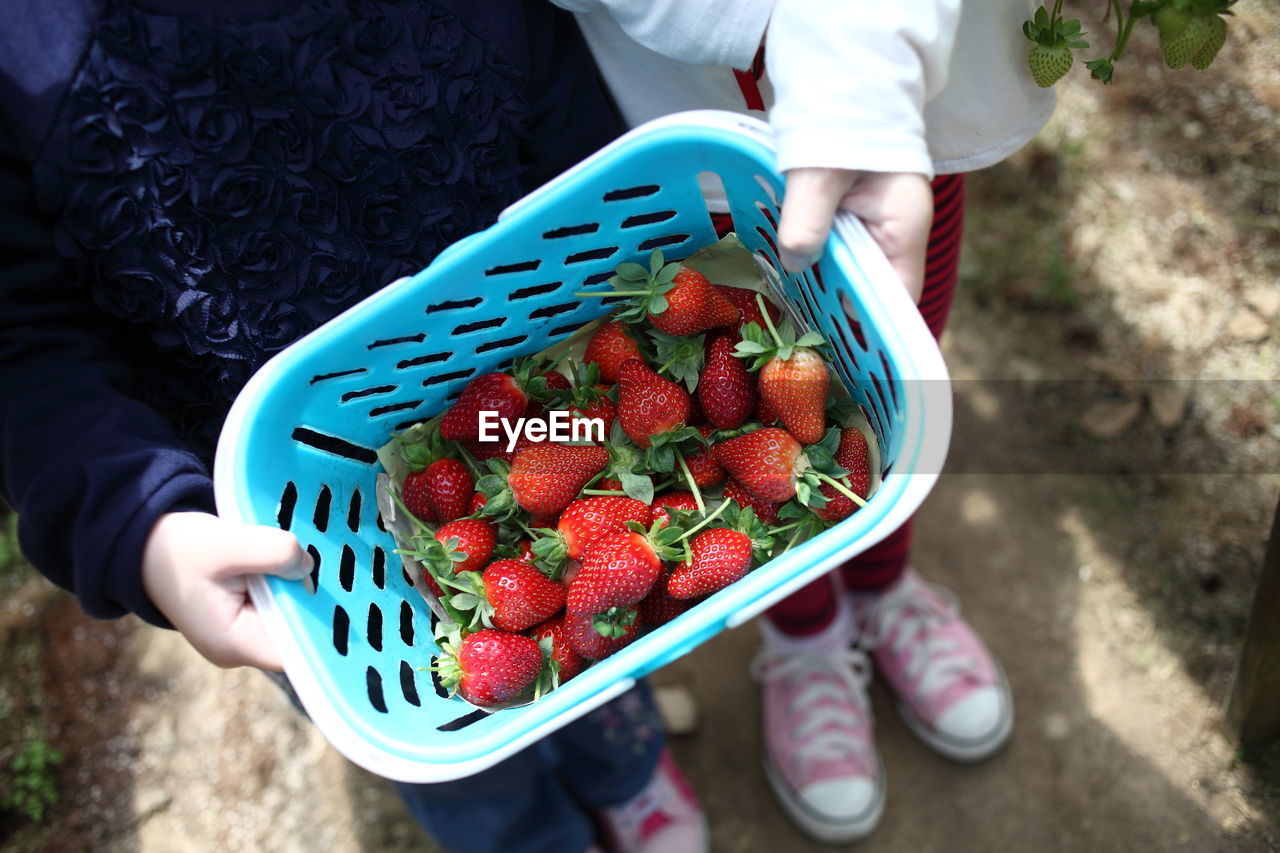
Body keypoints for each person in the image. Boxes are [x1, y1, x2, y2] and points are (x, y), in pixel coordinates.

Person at [0, 1, 721, 850]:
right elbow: (23, 341)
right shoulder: (23, 59)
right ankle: (529, 835)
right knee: (444, 740)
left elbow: (560, 99)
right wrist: (141, 523)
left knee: (601, 606)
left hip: (537, 397)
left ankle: (624, 768)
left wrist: (626, 280)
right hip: (299, 518)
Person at [559, 0, 1056, 843]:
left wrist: (855, 59)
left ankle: (884, 586)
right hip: (673, 94)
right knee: (731, 405)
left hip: (887, 83)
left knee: (888, 387)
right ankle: (804, 634)